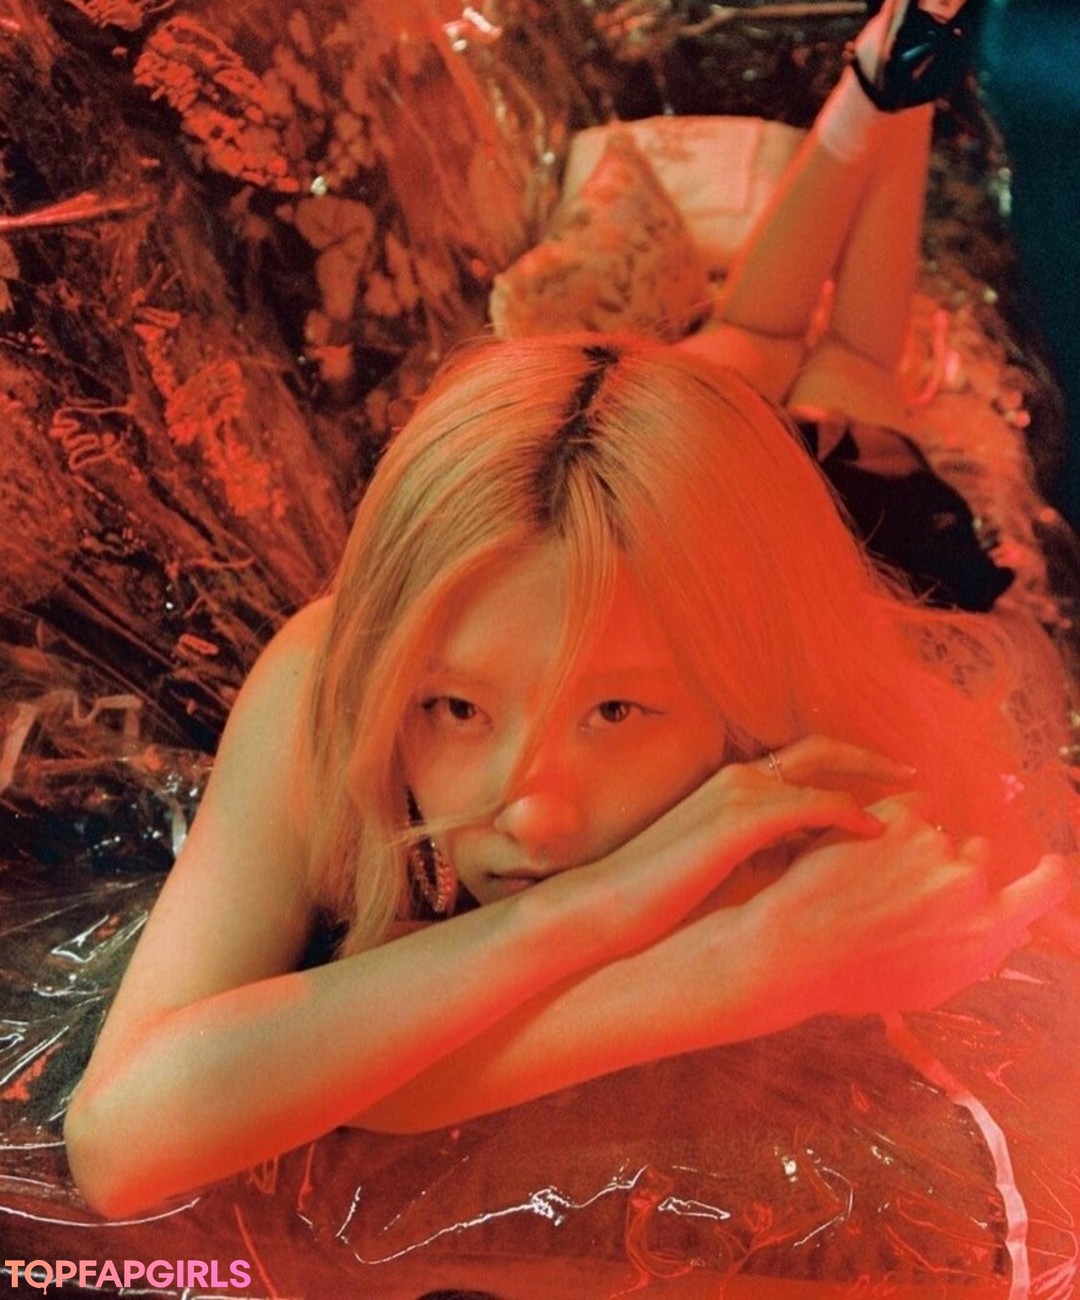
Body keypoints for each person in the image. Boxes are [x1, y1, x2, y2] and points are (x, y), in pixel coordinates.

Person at [64, 0, 1077, 1219]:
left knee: (847, 366)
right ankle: (882, 83)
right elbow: (125, 1142)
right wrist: (673, 941)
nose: (532, 812)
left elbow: (376, 1081)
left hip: (846, 513)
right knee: (745, 342)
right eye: (455, 708)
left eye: (615, 713)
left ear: (743, 705)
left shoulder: (821, 743)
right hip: (663, 517)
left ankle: (892, 103)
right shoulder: (336, 670)